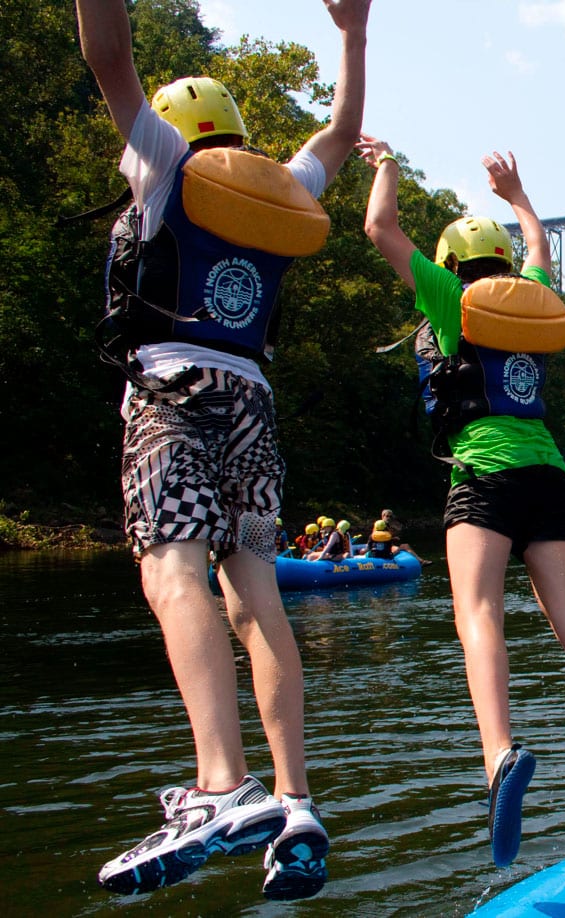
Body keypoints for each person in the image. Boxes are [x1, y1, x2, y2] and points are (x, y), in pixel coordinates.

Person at [76, 0, 370, 899]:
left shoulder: (164, 164)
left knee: (171, 571)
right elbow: (343, 130)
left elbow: (107, 55)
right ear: (237, 135)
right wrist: (353, 32)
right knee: (254, 591)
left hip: (171, 391)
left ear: (178, 129)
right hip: (253, 403)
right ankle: (295, 800)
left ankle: (218, 785)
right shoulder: (282, 189)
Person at [359, 135, 565, 866]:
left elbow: (378, 229)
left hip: (483, 471)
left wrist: (386, 162)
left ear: (454, 265)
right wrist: (517, 197)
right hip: (548, 469)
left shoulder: (450, 298)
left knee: (477, 612)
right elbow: (541, 245)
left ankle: (499, 757)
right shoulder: (535, 303)